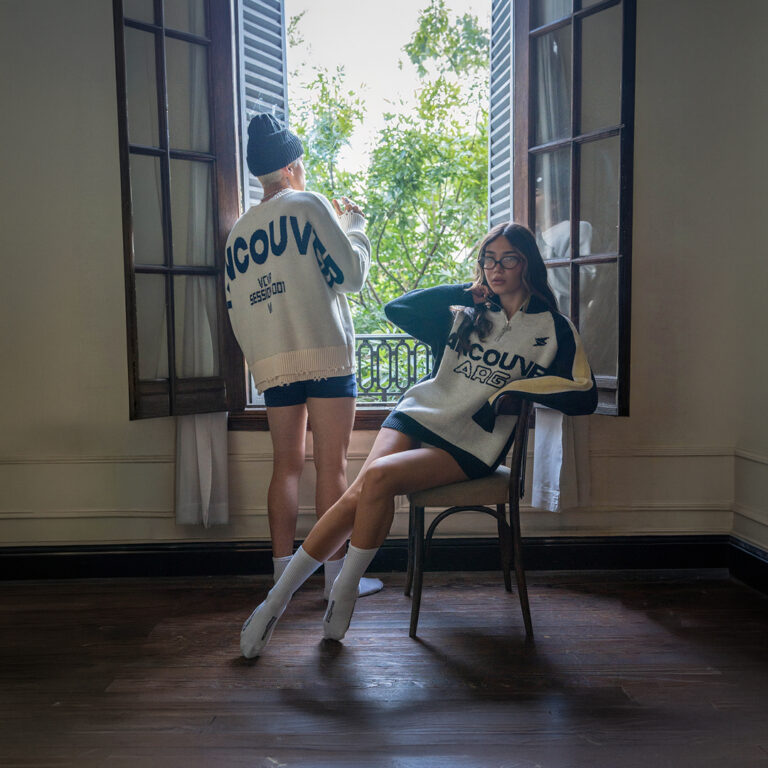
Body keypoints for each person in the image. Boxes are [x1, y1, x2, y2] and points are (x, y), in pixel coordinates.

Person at [239, 222, 597, 658]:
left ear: (528, 264)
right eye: (488, 259)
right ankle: (277, 602)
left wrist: (514, 390)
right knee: (363, 488)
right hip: (417, 413)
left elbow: (584, 393)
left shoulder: (554, 328)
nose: (496, 268)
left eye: (508, 259)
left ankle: (341, 589)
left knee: (376, 479)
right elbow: (399, 308)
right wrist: (467, 293)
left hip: (470, 441)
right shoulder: (466, 311)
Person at [225, 113, 383, 602]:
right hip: (326, 353)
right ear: (292, 166)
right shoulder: (309, 203)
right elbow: (351, 275)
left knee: (286, 466)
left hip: (273, 362)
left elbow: (237, 309)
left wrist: (261, 359)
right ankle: (336, 581)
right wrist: (353, 226)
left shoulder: (238, 233)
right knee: (331, 467)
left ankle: (282, 581)